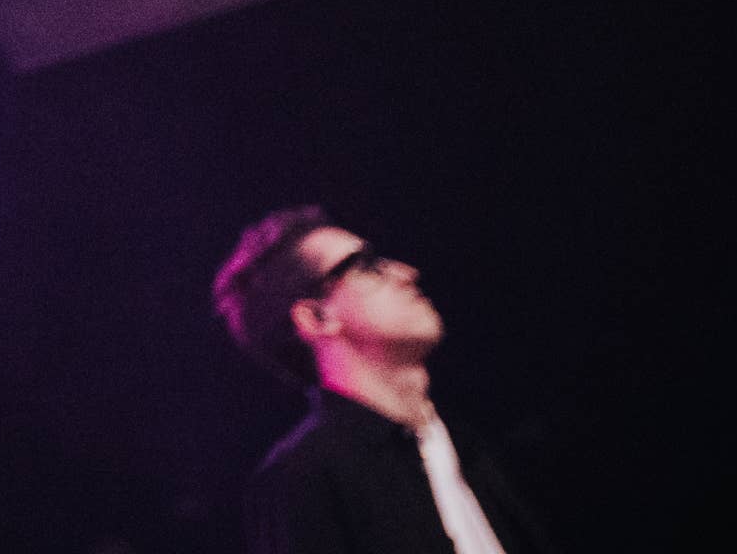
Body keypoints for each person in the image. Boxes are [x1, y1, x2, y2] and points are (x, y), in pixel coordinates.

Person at [209, 207, 554, 554]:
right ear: (316, 317)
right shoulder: (302, 478)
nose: (406, 273)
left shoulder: (468, 443)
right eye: (366, 265)